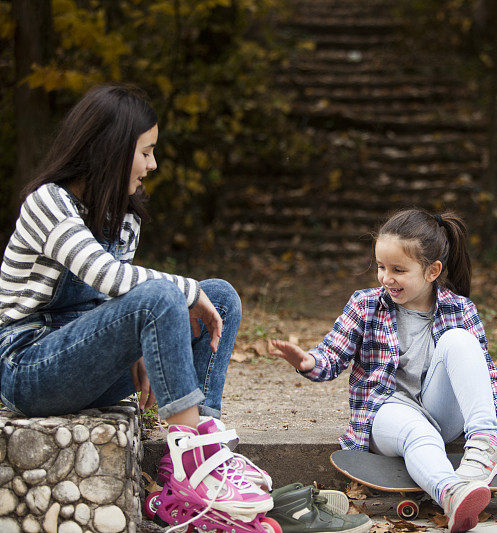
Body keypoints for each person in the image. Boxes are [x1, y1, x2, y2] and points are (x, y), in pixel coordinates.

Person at [0, 85, 369, 533]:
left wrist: (136, 341)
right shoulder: (49, 203)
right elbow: (110, 279)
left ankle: (194, 464)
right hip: (30, 367)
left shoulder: (124, 215)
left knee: (222, 297)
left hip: (86, 361)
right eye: (146, 152)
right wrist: (181, 294)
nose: (153, 165)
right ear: (110, 152)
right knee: (172, 294)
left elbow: (113, 304)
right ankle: (197, 461)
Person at [270, 209, 497, 533]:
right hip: (388, 411)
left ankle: (484, 447)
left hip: (441, 411)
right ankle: (452, 493)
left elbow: (484, 372)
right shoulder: (366, 304)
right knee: (419, 433)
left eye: (398, 269)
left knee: (460, 340)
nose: (386, 278)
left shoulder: (460, 308)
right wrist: (309, 362)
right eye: (381, 267)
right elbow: (332, 353)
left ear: (432, 271)